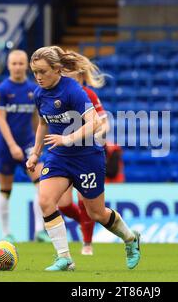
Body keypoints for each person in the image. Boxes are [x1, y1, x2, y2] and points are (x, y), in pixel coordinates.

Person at [26, 46, 141, 271]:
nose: (38, 77)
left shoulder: (74, 91)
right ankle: (65, 258)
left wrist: (67, 139)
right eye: (35, 72)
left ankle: (130, 239)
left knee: (96, 213)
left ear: (57, 69)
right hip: (59, 157)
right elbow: (42, 123)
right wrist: (35, 153)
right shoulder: (40, 93)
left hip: (87, 157)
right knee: (45, 201)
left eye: (42, 71)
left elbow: (95, 123)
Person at [0, 50, 49, 243]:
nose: (17, 67)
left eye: (20, 63)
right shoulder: (2, 89)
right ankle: (6, 232)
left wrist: (37, 145)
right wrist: (11, 146)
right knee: (5, 190)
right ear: (8, 65)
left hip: (27, 144)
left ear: (27, 65)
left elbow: (37, 119)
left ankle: (39, 231)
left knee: (41, 185)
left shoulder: (34, 89)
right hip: (6, 146)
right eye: (14, 63)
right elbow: (1, 121)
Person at [57, 70, 110, 256]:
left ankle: (87, 243)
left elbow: (104, 123)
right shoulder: (57, 95)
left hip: (84, 154)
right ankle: (84, 222)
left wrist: (93, 136)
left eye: (70, 75)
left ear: (80, 76)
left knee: (84, 200)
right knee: (63, 204)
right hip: (63, 154)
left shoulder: (89, 94)